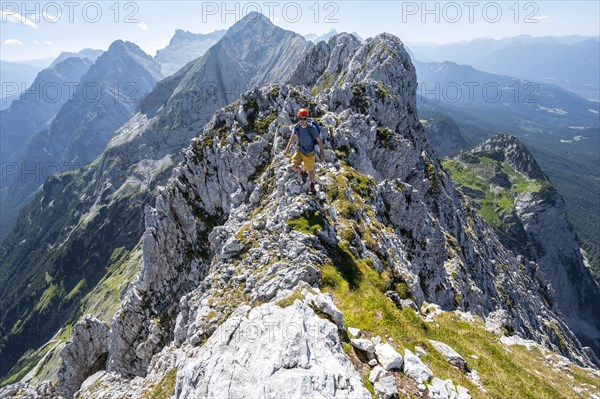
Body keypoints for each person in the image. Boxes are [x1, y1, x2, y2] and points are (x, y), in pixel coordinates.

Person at [283, 108, 325, 195]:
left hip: (309, 152)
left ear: (307, 118)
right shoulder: (297, 127)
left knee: (310, 170)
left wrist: (322, 154)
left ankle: (312, 186)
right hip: (300, 150)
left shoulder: (311, 128)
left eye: (304, 118)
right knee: (293, 166)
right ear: (298, 118)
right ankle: (302, 173)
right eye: (300, 118)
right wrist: (287, 149)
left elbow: (319, 140)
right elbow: (292, 137)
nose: (302, 121)